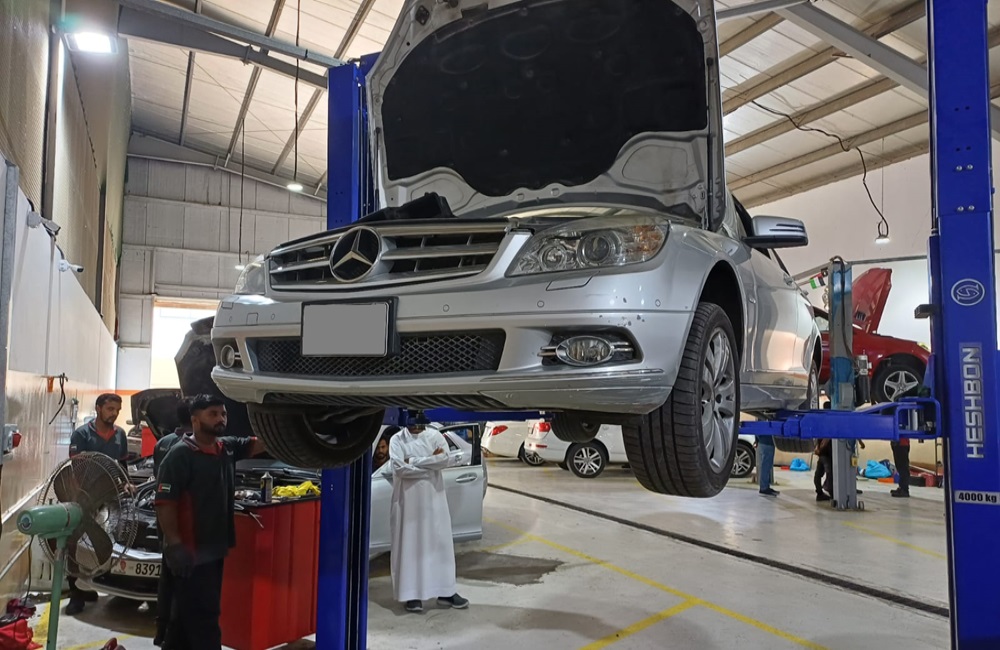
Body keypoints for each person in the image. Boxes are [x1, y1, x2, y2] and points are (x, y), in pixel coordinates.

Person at [155, 395, 266, 650]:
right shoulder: (179, 455)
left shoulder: (226, 447)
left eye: (223, 413)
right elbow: (165, 503)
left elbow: (258, 444)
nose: (221, 419)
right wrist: (175, 545)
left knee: (184, 621)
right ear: (195, 420)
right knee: (205, 620)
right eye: (213, 414)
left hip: (214, 549)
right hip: (190, 552)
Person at [389, 415, 468, 612]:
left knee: (440, 545)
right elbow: (400, 469)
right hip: (407, 504)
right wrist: (429, 468)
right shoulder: (397, 439)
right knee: (410, 547)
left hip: (434, 502)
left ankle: (446, 592)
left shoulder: (435, 436)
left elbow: (444, 460)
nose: (416, 426)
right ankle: (411, 595)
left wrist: (413, 461)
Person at [65, 393, 130, 615]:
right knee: (76, 544)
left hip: (110, 498)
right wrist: (83, 497)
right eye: (110, 409)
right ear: (98, 408)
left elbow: (122, 465)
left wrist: (127, 483)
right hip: (84, 497)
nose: (114, 414)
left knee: (103, 542)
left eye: (117, 410)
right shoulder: (82, 434)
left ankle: (92, 584)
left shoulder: (120, 435)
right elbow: (75, 467)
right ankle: (76, 594)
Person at [152, 396, 193, 648]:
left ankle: (161, 631)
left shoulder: (163, 443)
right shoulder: (191, 446)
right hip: (183, 521)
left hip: (163, 519)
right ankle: (175, 634)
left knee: (167, 575)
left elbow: (158, 478)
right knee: (184, 579)